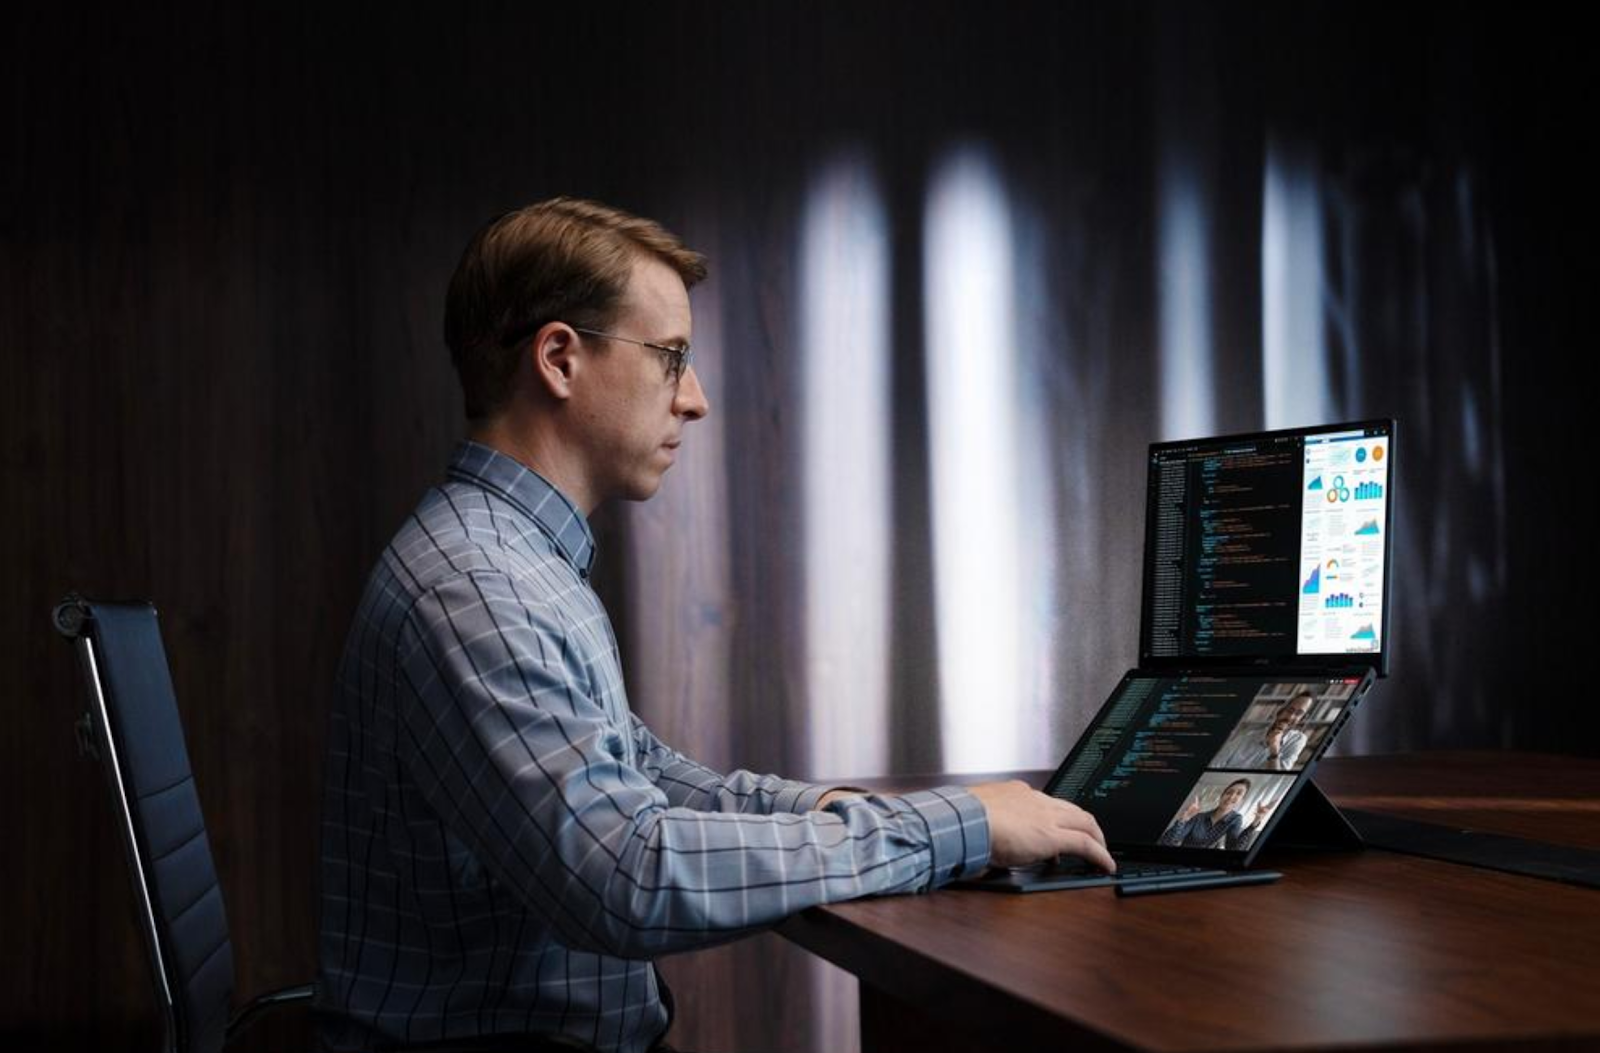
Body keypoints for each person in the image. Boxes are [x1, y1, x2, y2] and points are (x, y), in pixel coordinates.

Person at [315, 197, 1115, 1053]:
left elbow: (646, 775)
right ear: (559, 359)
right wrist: (954, 828)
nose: (694, 399)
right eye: (671, 358)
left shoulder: (516, 560)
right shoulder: (479, 587)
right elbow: (627, 875)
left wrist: (848, 810)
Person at [1158, 777, 1270, 851]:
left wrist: (1255, 822)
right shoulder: (1199, 817)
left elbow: (1233, 849)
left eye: (1238, 794)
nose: (1231, 797)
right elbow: (1166, 842)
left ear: (1242, 800)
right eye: (1229, 792)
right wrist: (1184, 818)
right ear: (1222, 796)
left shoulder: (1235, 819)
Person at [1213, 692, 1316, 770]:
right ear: (1280, 711)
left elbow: (1275, 778)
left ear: (1303, 718)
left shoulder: (1298, 739)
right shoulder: (1247, 735)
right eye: (1289, 710)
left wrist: (1274, 749)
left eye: (1299, 713)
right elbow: (1216, 763)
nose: (1290, 717)